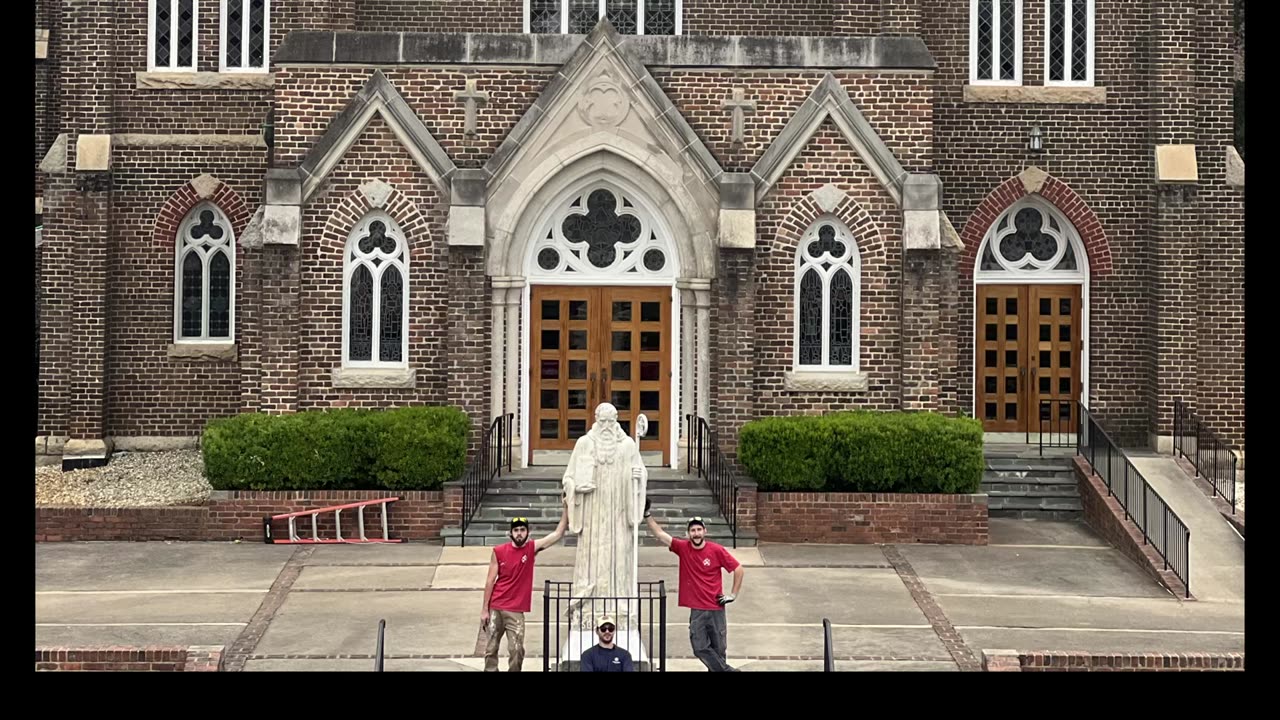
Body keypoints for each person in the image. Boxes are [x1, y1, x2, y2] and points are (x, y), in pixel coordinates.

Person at [561, 402, 647, 630]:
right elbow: (568, 477)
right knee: (592, 557)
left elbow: (640, 473)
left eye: (611, 421)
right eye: (603, 421)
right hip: (592, 514)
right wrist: (576, 488)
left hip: (619, 513)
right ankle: (588, 610)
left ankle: (620, 608)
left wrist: (640, 477)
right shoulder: (584, 444)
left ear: (617, 420)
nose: (607, 426)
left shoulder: (628, 445)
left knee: (619, 555)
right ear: (596, 420)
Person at [645, 500, 744, 672]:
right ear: (688, 533)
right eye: (693, 530)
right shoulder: (683, 548)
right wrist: (647, 515)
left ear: (705, 531)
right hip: (697, 610)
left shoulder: (716, 550)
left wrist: (733, 595)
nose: (696, 533)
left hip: (716, 607)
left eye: (699, 530)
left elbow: (738, 569)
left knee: (719, 650)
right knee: (699, 648)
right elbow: (660, 534)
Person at [480, 503, 568, 671]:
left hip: (515, 610)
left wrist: (566, 508)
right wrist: (485, 609)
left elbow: (558, 533)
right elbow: (490, 581)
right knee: (491, 649)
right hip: (496, 606)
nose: (519, 533)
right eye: (516, 530)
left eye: (522, 530)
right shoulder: (498, 551)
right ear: (510, 533)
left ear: (528, 532)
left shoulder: (531, 548)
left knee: (517, 649)